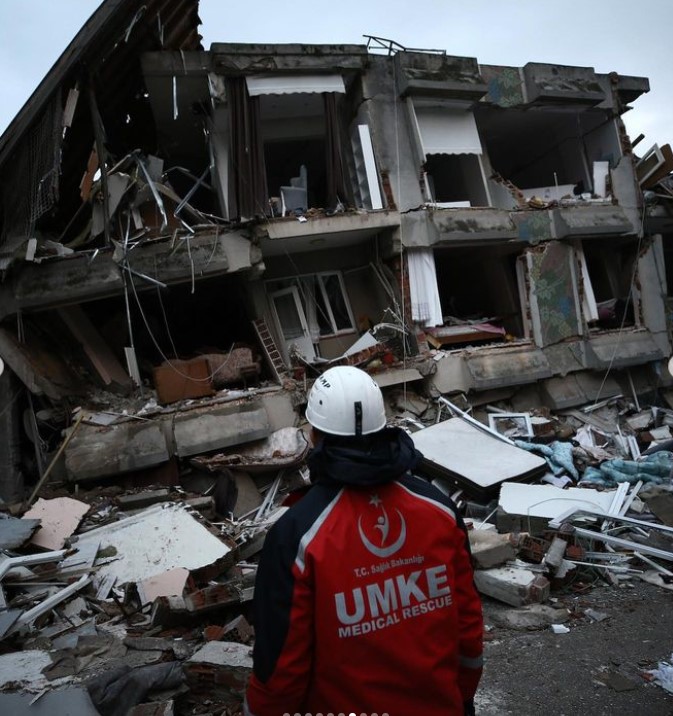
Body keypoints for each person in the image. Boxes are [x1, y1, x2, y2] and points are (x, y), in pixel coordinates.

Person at [245, 366, 483, 716]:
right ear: (382, 426)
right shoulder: (439, 510)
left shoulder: (298, 535)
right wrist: (461, 699)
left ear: (313, 434)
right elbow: (467, 627)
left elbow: (281, 668)